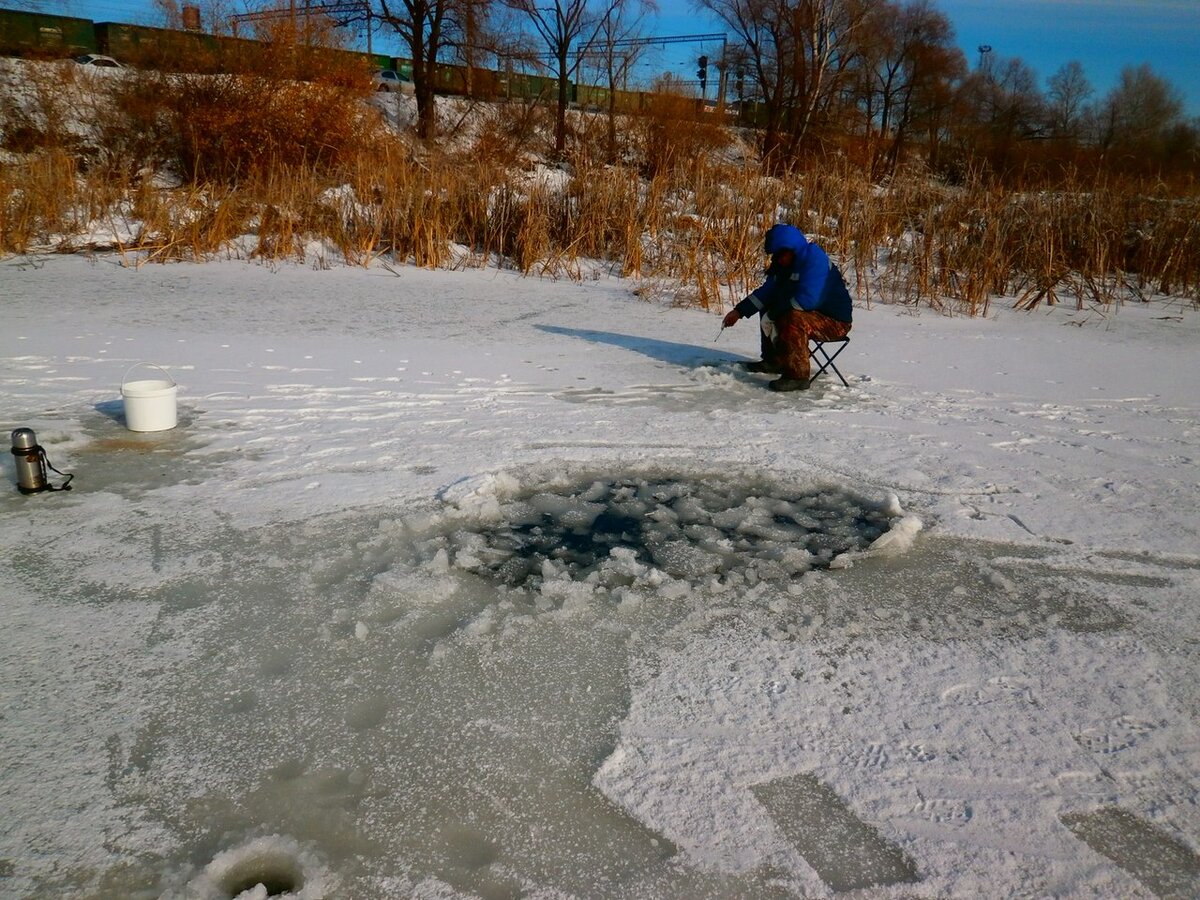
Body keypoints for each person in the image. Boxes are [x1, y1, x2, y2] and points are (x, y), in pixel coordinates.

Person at [721, 223, 853, 392]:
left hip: (835, 322)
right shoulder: (784, 265)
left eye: (782, 254)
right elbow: (767, 292)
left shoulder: (815, 259)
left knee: (792, 317)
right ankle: (774, 361)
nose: (779, 259)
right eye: (777, 255)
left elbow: (808, 300)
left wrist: (775, 314)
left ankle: (797, 376)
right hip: (809, 314)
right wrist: (738, 311)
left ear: (793, 249)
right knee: (771, 305)